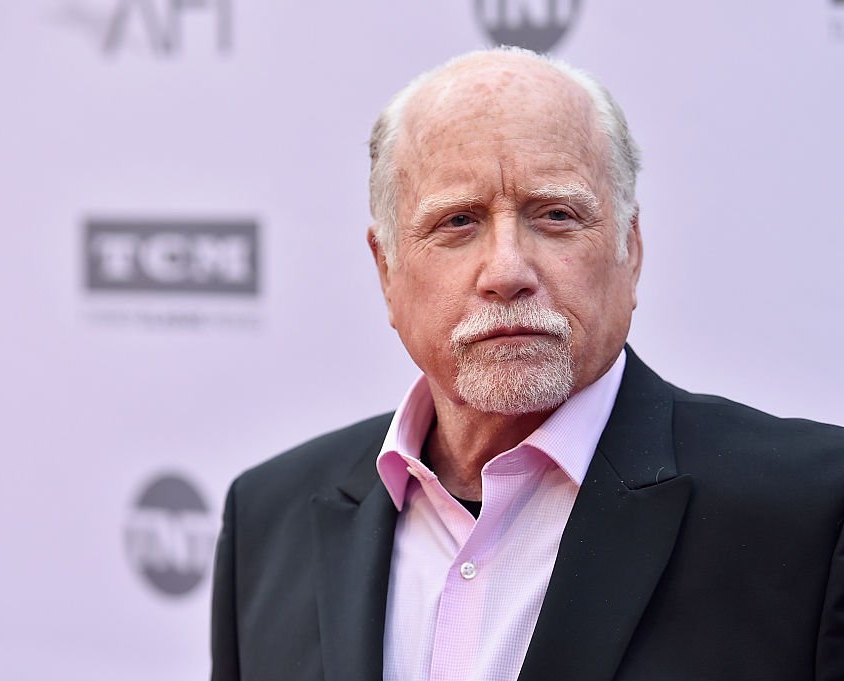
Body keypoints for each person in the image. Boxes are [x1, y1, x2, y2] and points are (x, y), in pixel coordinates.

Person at [210, 46, 844, 681]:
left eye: (556, 216)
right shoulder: (268, 516)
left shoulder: (813, 511)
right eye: (458, 222)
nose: (508, 271)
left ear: (631, 252)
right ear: (386, 270)